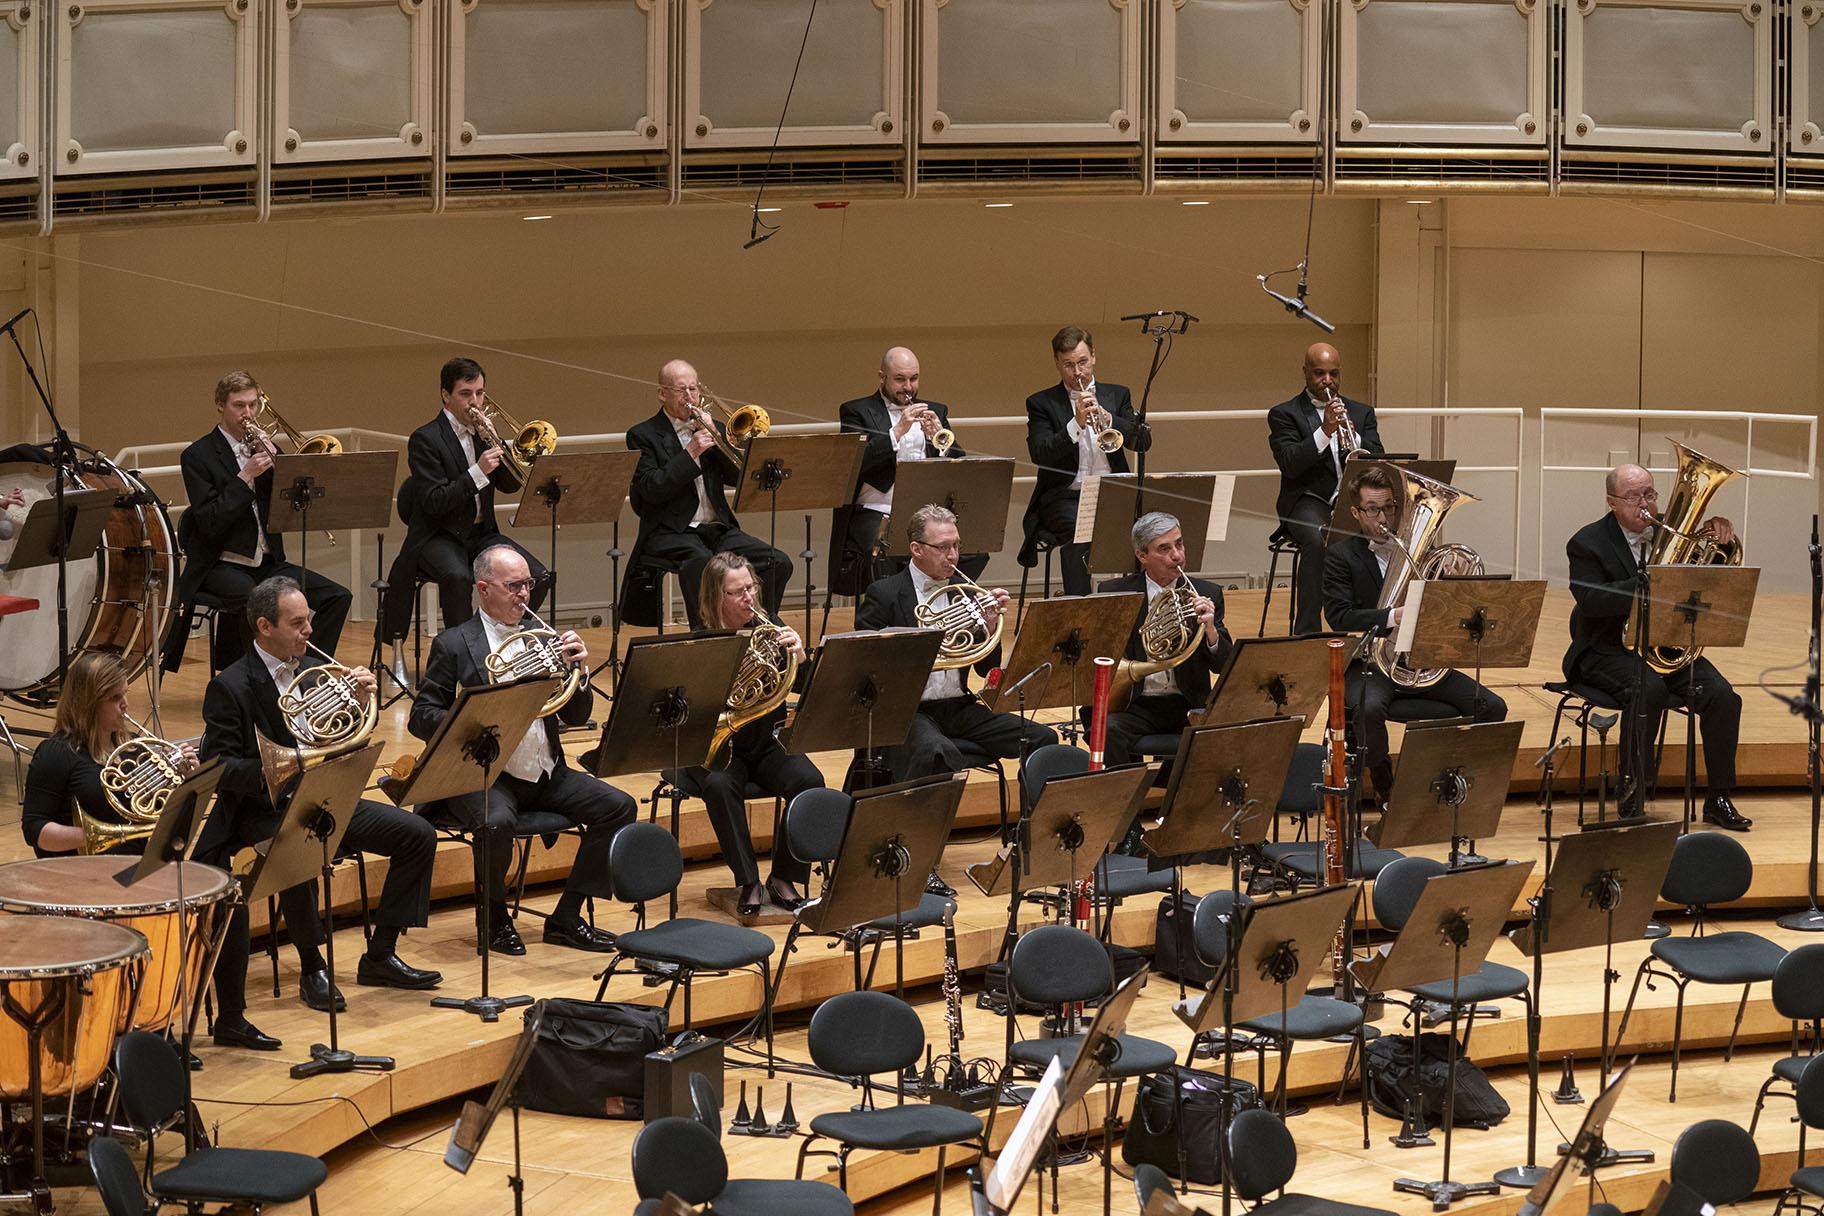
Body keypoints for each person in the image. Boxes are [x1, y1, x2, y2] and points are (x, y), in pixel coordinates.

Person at [199, 577, 441, 1051]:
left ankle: (382, 953)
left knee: (418, 834)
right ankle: (313, 967)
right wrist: (283, 770)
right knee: (298, 848)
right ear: (264, 626)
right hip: (261, 809)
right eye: (297, 623)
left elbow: (339, 737)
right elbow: (221, 768)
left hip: (328, 798)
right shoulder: (229, 685)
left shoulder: (314, 669)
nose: (310, 630)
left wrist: (362, 702)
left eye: (309, 619)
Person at [411, 544, 636, 952]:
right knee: (496, 823)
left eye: (528, 584)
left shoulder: (543, 638)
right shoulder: (454, 643)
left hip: (545, 770)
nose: (524, 595)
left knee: (618, 807)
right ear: (483, 589)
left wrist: (579, 672)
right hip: (487, 773)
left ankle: (567, 916)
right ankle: (494, 919)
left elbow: (573, 714)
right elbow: (421, 715)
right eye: (513, 585)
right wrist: (475, 713)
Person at [1565, 463, 1746, 828]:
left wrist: (1722, 542)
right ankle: (1633, 792)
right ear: (1612, 502)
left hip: (1665, 645)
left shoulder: (1675, 533)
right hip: (1605, 649)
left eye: (1650, 493)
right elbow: (1591, 601)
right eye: (1633, 497)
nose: (1645, 504)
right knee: (1648, 690)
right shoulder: (1587, 543)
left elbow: (1713, 579)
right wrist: (1648, 584)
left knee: (1723, 696)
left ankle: (1719, 798)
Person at [1323, 465, 1506, 799]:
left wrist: (1454, 583)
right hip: (1371, 664)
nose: (1383, 518)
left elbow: (1451, 612)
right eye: (1373, 509)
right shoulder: (1340, 557)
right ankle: (1385, 787)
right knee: (1369, 709)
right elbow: (1340, 616)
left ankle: (1455, 777)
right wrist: (1395, 615)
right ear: (1356, 512)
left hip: (1421, 661)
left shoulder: (1421, 552)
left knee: (1493, 707)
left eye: (1390, 507)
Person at [377, 357, 549, 690]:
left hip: (480, 535)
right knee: (457, 577)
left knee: (538, 576)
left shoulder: (485, 434)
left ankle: (511, 647)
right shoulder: (425, 439)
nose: (475, 403)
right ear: (446, 395)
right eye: (466, 394)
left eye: (480, 393)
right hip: (437, 535)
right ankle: (466, 663)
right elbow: (433, 501)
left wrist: (501, 445)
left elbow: (511, 485)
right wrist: (477, 472)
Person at [165, 371, 353, 672]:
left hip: (268, 561)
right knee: (256, 602)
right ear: (220, 406)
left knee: (338, 596)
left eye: (253, 405)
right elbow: (210, 521)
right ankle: (253, 677)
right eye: (239, 406)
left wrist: (281, 465)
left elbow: (290, 506)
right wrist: (246, 476)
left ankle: (305, 672)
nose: (248, 414)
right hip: (220, 562)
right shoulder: (198, 455)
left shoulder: (267, 450)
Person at [857, 504, 1057, 786]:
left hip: (959, 707)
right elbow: (865, 662)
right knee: (936, 752)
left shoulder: (964, 594)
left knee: (1044, 738)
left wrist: (988, 628)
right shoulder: (884, 593)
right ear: (916, 549)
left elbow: (985, 667)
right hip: (909, 711)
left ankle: (1028, 828)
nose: (952, 556)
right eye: (942, 547)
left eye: (956, 546)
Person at [672, 553, 824, 916]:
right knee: (720, 786)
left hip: (766, 742)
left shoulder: (770, 628)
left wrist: (801, 658)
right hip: (720, 747)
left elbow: (804, 687)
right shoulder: (702, 643)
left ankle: (784, 877)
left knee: (810, 780)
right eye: (737, 592)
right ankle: (748, 881)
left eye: (751, 587)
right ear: (715, 598)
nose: (749, 598)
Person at [620, 360, 792, 629]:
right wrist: (690, 455)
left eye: (694, 388)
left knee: (778, 561)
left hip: (717, 528)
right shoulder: (643, 435)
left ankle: (756, 626)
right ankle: (704, 636)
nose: (690, 397)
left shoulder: (714, 427)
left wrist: (718, 439)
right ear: (662, 393)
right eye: (681, 390)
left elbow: (738, 477)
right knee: (701, 563)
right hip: (670, 530)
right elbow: (650, 490)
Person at [832, 346, 981, 595]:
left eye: (913, 378)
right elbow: (854, 463)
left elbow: (958, 462)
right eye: (900, 379)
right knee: (882, 550)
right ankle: (896, 614)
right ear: (882, 377)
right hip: (875, 510)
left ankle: (941, 602)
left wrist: (938, 440)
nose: (908, 387)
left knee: (975, 551)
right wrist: (897, 432)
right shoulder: (856, 411)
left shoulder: (937, 410)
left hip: (926, 512)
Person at [1092, 512, 1234, 768]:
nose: (1177, 556)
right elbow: (1101, 655)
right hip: (1137, 703)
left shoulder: (1207, 593)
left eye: (1179, 544)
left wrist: (1211, 630)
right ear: (1142, 556)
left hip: (1187, 703)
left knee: (1224, 731)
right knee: (1108, 730)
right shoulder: (1114, 593)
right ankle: (1128, 802)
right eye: (1164, 549)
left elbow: (1223, 666)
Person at [22, 650, 196, 856]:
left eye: (125, 693)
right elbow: (35, 830)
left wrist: (186, 780)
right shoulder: (57, 753)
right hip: (81, 873)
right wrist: (101, 837)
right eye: (115, 698)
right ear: (88, 703)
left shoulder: (135, 746)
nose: (125, 705)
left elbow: (157, 812)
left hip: (135, 864)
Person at [1020, 326, 1149, 596]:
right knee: (1080, 534)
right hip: (1066, 496)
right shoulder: (1042, 403)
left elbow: (1143, 442)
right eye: (1068, 365)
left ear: (1093, 357)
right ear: (1057, 363)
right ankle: (1080, 610)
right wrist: (1075, 425)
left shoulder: (1117, 395)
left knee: (1149, 533)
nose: (1077, 372)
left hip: (1115, 492)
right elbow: (1040, 453)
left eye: (1082, 362)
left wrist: (1111, 420)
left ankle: (1136, 608)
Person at [1268, 342, 1384, 635]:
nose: (1327, 381)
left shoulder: (1362, 412)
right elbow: (1290, 464)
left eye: (1334, 373)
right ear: (1305, 372)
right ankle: (1307, 632)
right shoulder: (1285, 414)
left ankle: (1379, 622)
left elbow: (1379, 460)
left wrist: (1353, 437)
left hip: (1352, 500)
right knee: (1320, 540)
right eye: (1319, 373)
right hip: (1308, 500)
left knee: (1388, 533)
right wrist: (1325, 431)